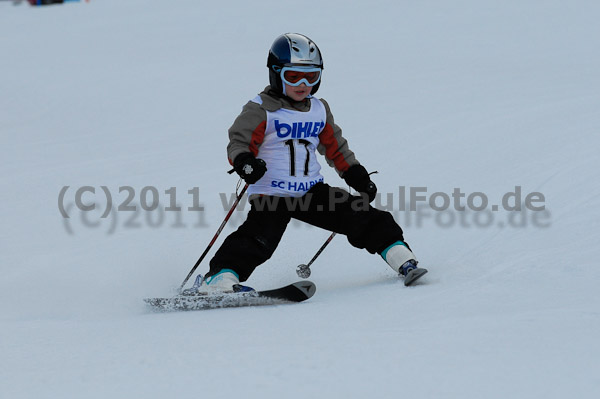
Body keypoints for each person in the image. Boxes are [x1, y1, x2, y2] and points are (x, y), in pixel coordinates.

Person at [197, 33, 426, 292]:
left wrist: (356, 175)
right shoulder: (261, 109)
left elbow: (335, 147)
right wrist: (245, 162)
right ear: (275, 73)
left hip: (311, 191)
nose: (303, 84)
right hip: (272, 194)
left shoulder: (318, 109)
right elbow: (239, 142)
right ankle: (220, 279)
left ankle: (403, 260)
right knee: (258, 239)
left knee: (361, 216)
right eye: (293, 76)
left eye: (312, 76)